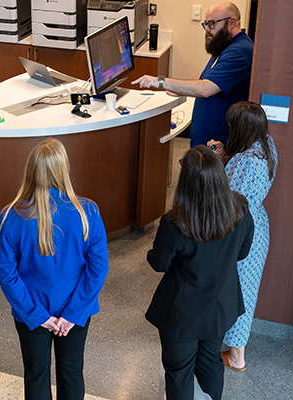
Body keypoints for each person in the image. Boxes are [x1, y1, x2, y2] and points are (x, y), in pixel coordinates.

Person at [0, 138, 109, 400]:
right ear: (64, 170)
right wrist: (72, 314)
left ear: (30, 171)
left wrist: (37, 316)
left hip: (31, 311)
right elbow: (98, 268)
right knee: (71, 371)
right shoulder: (87, 211)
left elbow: (6, 273)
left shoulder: (9, 216)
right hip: (76, 310)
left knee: (36, 373)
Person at [146, 145, 254, 400]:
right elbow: (242, 252)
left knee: (179, 371)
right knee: (211, 362)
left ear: (187, 184)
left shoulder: (175, 222)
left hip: (183, 312)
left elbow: (159, 263)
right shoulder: (240, 209)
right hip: (220, 306)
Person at [206, 101, 278, 372]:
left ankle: (237, 357)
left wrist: (213, 163)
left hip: (240, 232)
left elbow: (230, 201)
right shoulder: (265, 145)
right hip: (257, 227)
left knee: (237, 292)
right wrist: (225, 155)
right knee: (246, 290)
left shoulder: (248, 163)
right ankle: (235, 348)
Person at [132, 1, 253, 148]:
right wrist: (178, 88)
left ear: (231, 22)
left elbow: (206, 89)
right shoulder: (226, 44)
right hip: (206, 141)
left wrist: (160, 82)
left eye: (212, 24)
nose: (207, 29)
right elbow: (206, 74)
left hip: (218, 146)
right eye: (205, 24)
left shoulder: (238, 53)